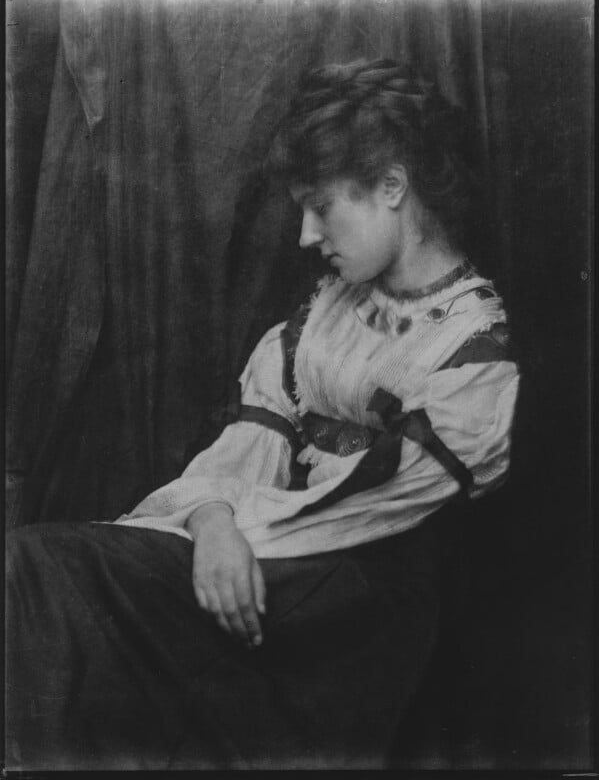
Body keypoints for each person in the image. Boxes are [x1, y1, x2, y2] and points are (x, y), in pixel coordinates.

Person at [6, 58, 519, 770]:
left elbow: (365, 508)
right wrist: (211, 520)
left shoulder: (473, 351)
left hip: (351, 614)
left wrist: (227, 534)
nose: (307, 235)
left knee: (44, 582)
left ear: (393, 187)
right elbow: (252, 440)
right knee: (31, 568)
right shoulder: (324, 311)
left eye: (322, 207)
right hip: (271, 560)